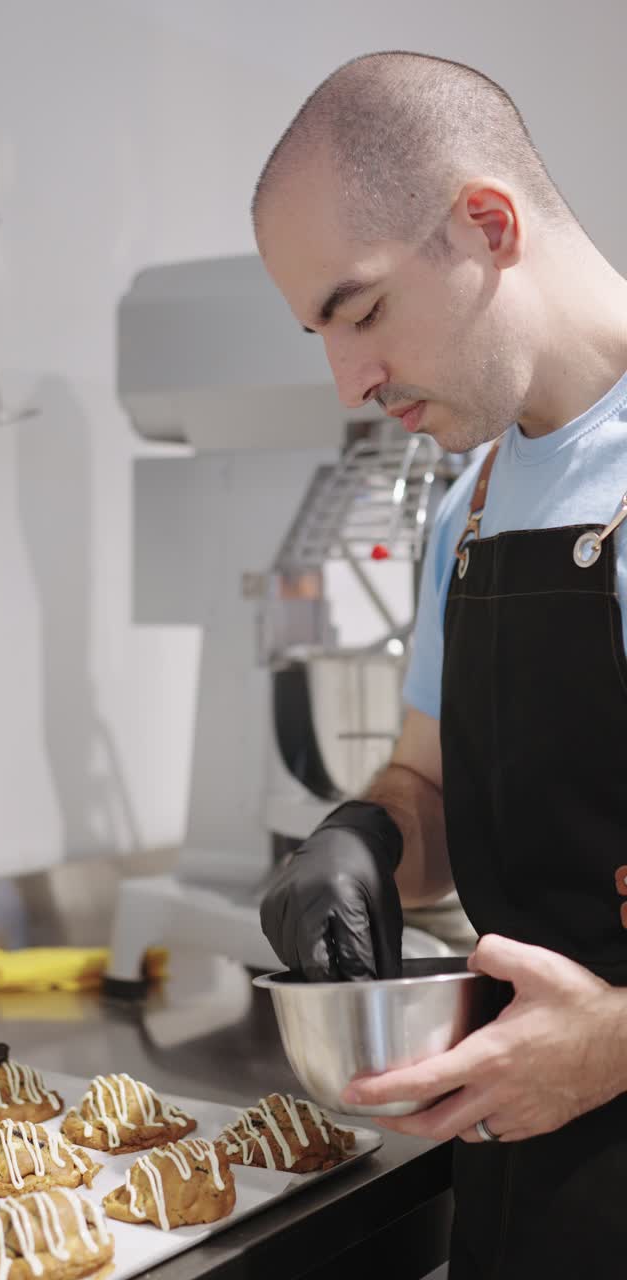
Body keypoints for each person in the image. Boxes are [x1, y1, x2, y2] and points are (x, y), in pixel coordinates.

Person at [254, 51, 627, 1279]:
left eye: (358, 311)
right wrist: (365, 832)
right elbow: (432, 790)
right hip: (524, 1200)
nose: (350, 380)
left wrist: (615, 1043)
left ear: (487, 223)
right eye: (319, 331)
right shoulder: (467, 506)